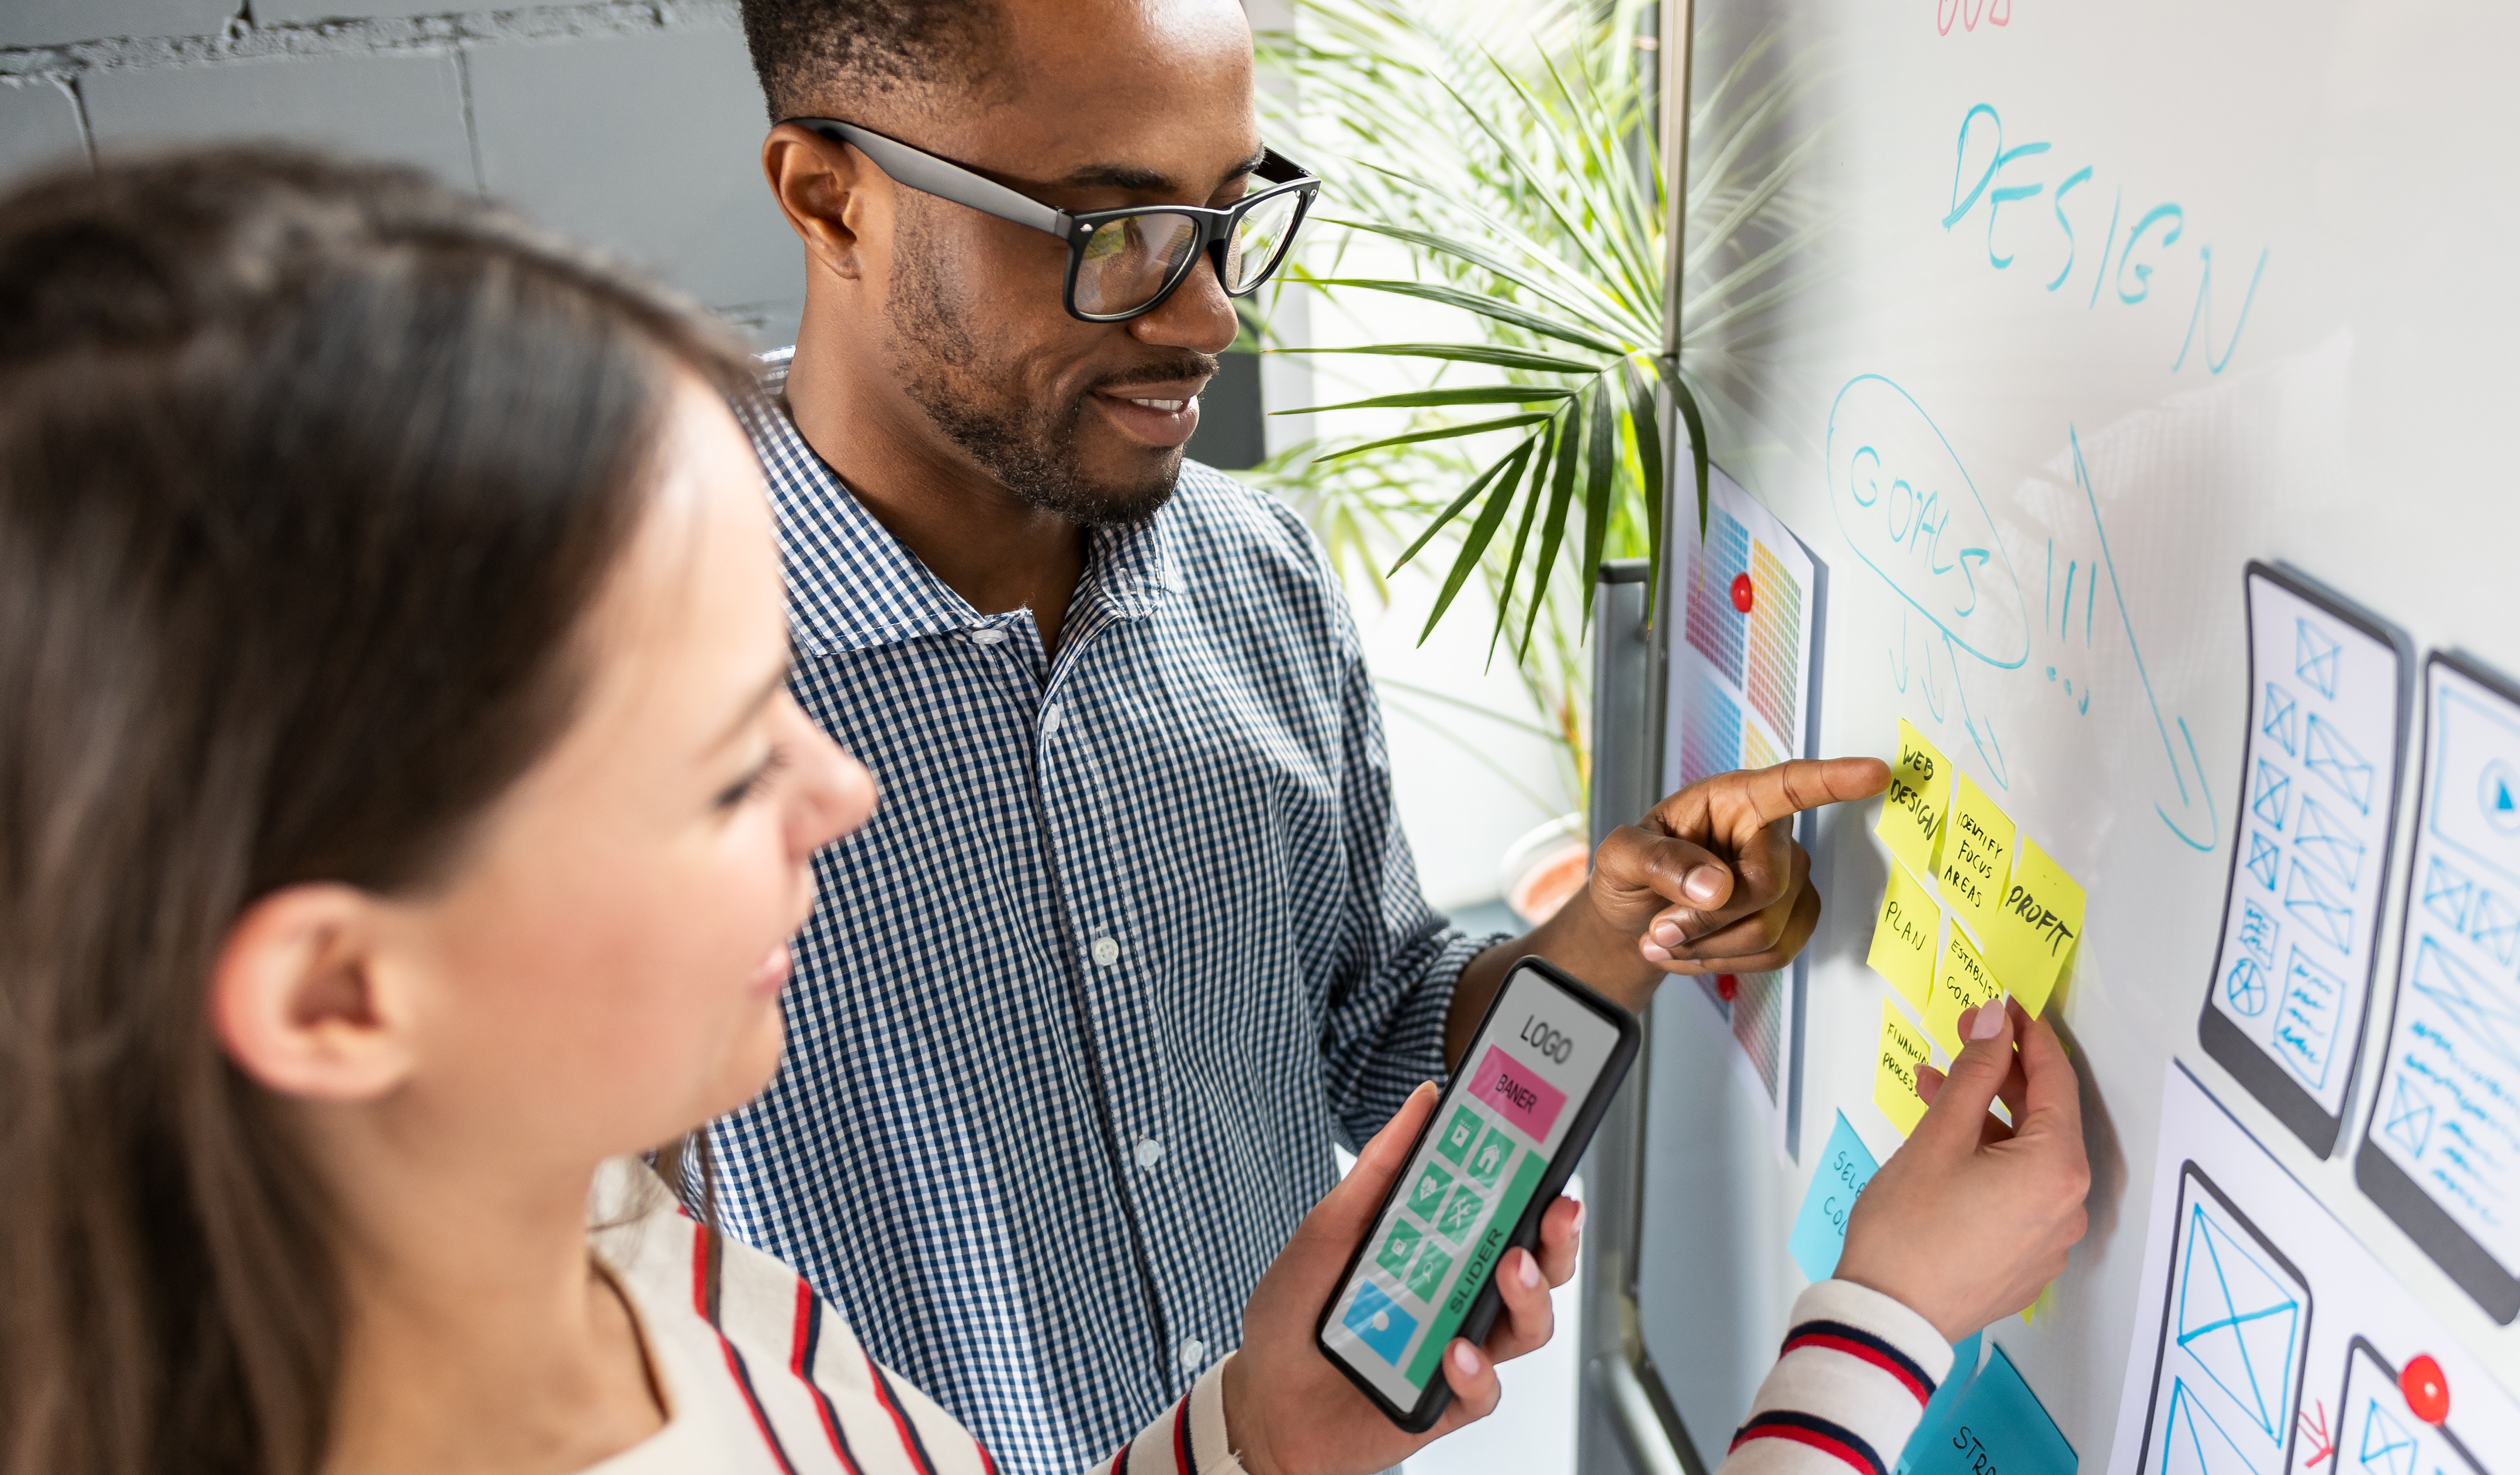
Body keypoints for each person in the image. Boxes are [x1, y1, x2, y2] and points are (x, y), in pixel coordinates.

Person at [0, 152, 2088, 1475]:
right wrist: (1877, 1326)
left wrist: (1258, 1431)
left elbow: (1367, 1004)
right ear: (344, 988)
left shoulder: (676, 1303)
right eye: (726, 760)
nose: (835, 784)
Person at [714, 0, 1888, 1463]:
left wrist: (1614, 922)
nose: (1208, 313)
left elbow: (1381, 1016)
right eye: (1110, 230)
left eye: (1230, 213)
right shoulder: (613, 707)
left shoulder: (1257, 576)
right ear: (833, 198)